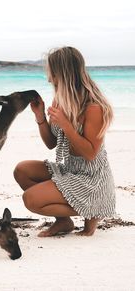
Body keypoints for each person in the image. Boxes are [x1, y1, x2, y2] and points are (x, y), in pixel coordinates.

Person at [14, 46, 116, 237]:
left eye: (50, 71)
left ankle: (94, 211)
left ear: (62, 73)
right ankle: (63, 222)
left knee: (31, 199)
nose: (48, 77)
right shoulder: (61, 101)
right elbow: (52, 143)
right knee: (22, 170)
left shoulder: (93, 107)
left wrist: (66, 125)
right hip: (71, 171)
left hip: (91, 180)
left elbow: (90, 153)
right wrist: (40, 117)